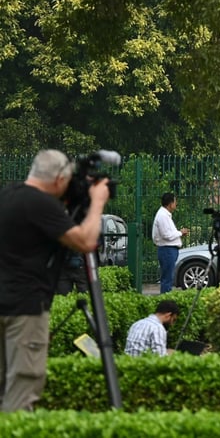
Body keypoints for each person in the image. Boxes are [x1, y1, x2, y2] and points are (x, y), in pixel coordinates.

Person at [0, 149, 110, 412]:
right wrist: (97, 202)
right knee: (21, 391)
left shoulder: (7, 195)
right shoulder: (41, 204)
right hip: (25, 308)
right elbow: (85, 241)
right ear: (60, 179)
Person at [152, 192, 189, 293]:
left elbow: (168, 233)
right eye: (175, 201)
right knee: (167, 279)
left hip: (169, 250)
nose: (176, 204)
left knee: (168, 277)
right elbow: (166, 235)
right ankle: (165, 300)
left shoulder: (165, 215)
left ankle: (166, 299)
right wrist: (180, 233)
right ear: (170, 203)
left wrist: (179, 233)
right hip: (167, 250)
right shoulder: (163, 216)